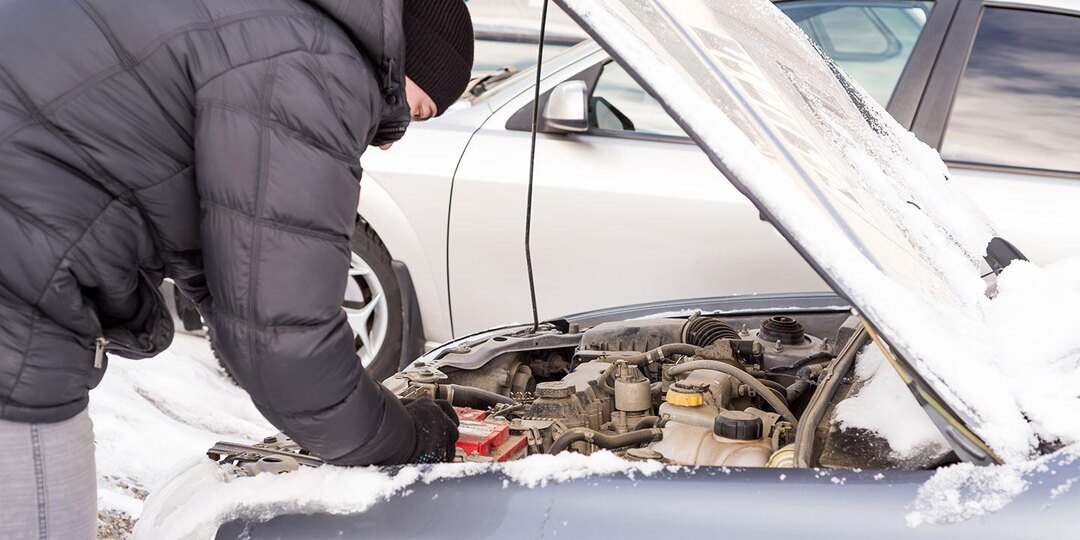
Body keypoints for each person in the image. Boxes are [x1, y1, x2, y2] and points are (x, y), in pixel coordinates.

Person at [0, 0, 473, 537]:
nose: (393, 135)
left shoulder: (261, 22)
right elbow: (285, 342)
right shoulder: (314, 62)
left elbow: (240, 283)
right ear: (403, 61)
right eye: (418, 108)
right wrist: (408, 440)